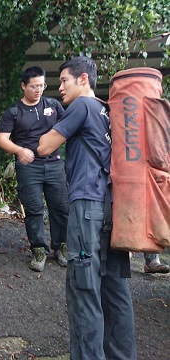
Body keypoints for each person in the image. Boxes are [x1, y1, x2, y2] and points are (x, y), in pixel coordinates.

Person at [38, 56, 135, 359]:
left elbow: (44, 146)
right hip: (110, 208)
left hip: (86, 209)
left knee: (84, 289)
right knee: (114, 289)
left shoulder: (82, 106)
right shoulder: (107, 111)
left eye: (64, 80)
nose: (60, 88)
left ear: (83, 79)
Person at [0, 66, 69, 272]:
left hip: (55, 163)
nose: (39, 90)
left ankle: (61, 246)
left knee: (61, 206)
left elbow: (68, 127)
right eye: (34, 86)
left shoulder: (53, 105)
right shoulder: (13, 111)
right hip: (29, 166)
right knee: (34, 209)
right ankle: (38, 248)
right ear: (23, 86)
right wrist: (19, 150)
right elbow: (2, 139)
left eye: (42, 85)